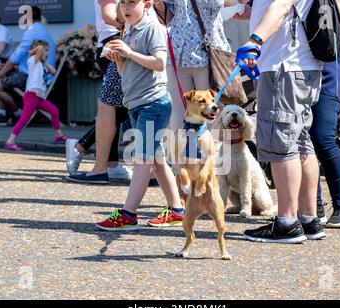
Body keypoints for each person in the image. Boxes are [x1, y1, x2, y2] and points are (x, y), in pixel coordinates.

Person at [95, 0, 185, 230]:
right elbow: (129, 72)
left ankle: (128, 214)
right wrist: (119, 59)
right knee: (156, 159)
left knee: (143, 159)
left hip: (153, 103)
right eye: (123, 2)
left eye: (132, 2)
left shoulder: (152, 27)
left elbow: (159, 63)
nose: (126, 8)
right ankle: (176, 210)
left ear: (145, 5)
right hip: (137, 102)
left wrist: (129, 52)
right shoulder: (129, 31)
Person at [241, 0, 326, 243]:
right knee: (300, 140)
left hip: (283, 65)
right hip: (301, 65)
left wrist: (254, 41)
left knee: (282, 141)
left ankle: (287, 222)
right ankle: (308, 218)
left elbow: (281, 6)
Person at [65, 0, 132, 183]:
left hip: (124, 42)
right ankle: (88, 153)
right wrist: (132, 20)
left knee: (119, 106)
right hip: (114, 45)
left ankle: (109, 163)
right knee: (115, 106)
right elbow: (107, 14)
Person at [309, 0, 340, 228]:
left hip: (328, 74)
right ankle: (314, 204)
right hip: (298, 73)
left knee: (322, 138)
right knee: (303, 142)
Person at [152, 0, 232, 133]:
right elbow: (168, 17)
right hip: (178, 57)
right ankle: (181, 152)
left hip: (208, 58)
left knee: (213, 116)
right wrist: (158, 3)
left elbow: (226, 3)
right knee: (178, 118)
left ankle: (216, 153)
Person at [0, 6, 56, 126]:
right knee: (3, 73)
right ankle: (3, 113)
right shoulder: (43, 30)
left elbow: (14, 59)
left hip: (33, 78)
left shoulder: (31, 31)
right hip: (45, 76)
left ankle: (18, 114)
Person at [5, 40, 67, 151]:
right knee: (24, 118)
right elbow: (38, 49)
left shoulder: (42, 64)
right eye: (45, 50)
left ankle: (59, 135)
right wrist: (35, 51)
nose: (47, 53)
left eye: (47, 50)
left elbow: (53, 72)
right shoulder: (32, 61)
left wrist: (45, 62)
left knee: (54, 111)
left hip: (39, 97)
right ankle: (10, 141)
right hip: (31, 95)